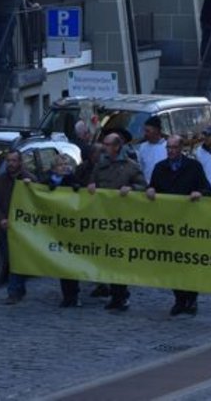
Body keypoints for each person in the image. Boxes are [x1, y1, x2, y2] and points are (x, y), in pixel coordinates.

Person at [146, 136, 211, 317]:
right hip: (167, 224)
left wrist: (199, 193)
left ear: (181, 148)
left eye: (174, 148)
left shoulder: (194, 167)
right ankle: (179, 298)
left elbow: (207, 188)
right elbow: (152, 187)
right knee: (172, 263)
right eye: (168, 148)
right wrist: (150, 190)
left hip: (188, 223)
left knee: (188, 262)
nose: (171, 151)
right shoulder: (160, 168)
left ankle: (191, 298)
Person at [86, 132, 147, 312]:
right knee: (107, 260)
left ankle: (121, 295)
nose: (104, 147)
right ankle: (114, 293)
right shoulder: (100, 165)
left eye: (107, 144)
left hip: (123, 220)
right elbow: (93, 182)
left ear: (117, 146)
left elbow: (143, 186)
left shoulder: (131, 167)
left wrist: (132, 189)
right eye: (103, 143)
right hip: (104, 219)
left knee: (119, 260)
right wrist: (91, 187)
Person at [0, 150, 37, 305]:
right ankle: (16, 289)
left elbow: (39, 201)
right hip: (7, 226)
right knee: (12, 258)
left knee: (20, 259)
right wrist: (1, 219)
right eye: (9, 161)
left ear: (20, 162)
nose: (11, 164)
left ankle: (15, 290)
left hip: (24, 227)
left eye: (14, 160)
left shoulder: (30, 179)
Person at [44, 155, 87, 309]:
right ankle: (66, 296)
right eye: (61, 164)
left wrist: (77, 187)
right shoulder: (47, 181)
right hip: (56, 228)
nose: (64, 167)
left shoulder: (73, 180)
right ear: (54, 167)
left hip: (71, 227)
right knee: (62, 264)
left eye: (66, 164)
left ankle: (74, 295)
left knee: (71, 262)